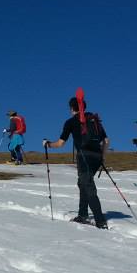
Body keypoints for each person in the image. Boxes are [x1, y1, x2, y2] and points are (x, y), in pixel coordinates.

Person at [44, 96, 109, 228]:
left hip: (83, 157)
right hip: (97, 157)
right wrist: (102, 156)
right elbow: (106, 141)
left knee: (88, 186)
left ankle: (100, 221)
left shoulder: (71, 122)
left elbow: (61, 143)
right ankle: (83, 214)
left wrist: (48, 144)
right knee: (83, 183)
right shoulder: (94, 120)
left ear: (72, 108)